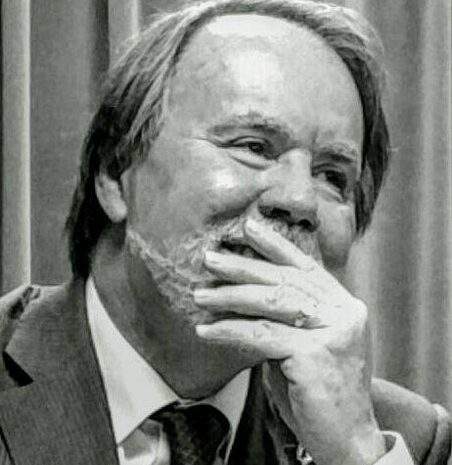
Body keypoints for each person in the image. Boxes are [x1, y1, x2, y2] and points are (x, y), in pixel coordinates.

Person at [0, 0, 450, 464]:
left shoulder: (403, 438)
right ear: (117, 174)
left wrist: (353, 452)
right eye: (253, 147)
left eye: (332, 175)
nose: (299, 200)